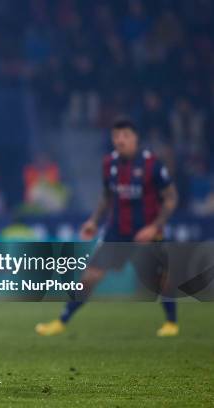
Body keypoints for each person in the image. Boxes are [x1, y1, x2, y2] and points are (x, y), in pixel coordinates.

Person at [35, 117, 179, 337]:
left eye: (125, 136)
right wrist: (94, 220)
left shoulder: (152, 164)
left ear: (135, 138)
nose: (120, 140)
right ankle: (61, 320)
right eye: (116, 136)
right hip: (117, 231)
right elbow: (106, 196)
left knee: (161, 279)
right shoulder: (109, 163)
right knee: (89, 277)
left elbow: (170, 198)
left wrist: (155, 226)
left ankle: (171, 323)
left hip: (147, 231)